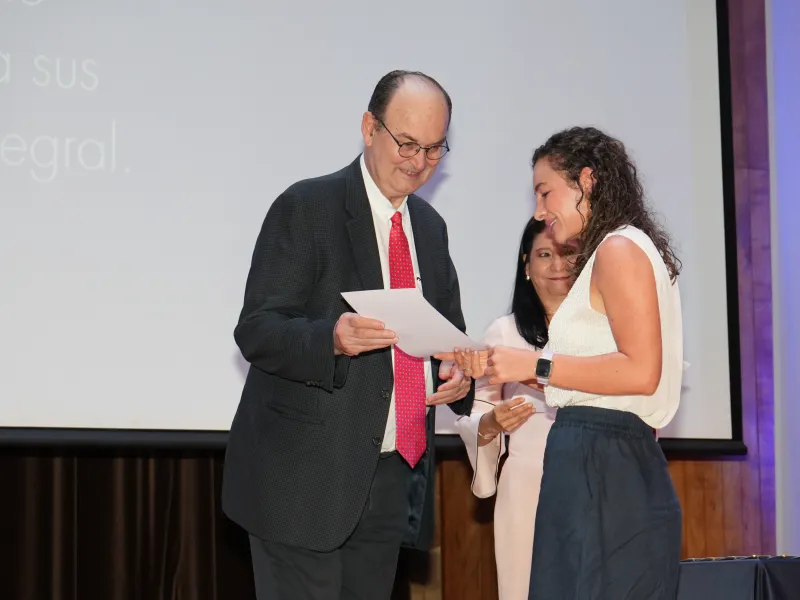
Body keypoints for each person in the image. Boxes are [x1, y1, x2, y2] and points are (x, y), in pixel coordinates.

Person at [222, 70, 475, 600]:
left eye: (434, 149)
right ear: (369, 127)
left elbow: (451, 339)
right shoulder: (308, 207)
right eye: (407, 143)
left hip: (389, 479)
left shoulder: (430, 229)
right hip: (301, 479)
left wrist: (457, 373)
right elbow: (258, 329)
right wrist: (330, 339)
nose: (419, 161)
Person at [448, 126, 683, 599]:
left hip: (603, 459)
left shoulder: (618, 249)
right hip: (592, 456)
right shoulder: (617, 250)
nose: (539, 211)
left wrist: (535, 366)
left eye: (544, 191)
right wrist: (490, 364)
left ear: (587, 181)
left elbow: (641, 371)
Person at [454, 217, 574, 600]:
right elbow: (476, 415)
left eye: (568, 254)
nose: (558, 265)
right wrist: (491, 423)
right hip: (526, 487)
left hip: (593, 478)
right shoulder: (504, 333)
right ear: (526, 265)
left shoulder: (607, 331)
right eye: (544, 254)